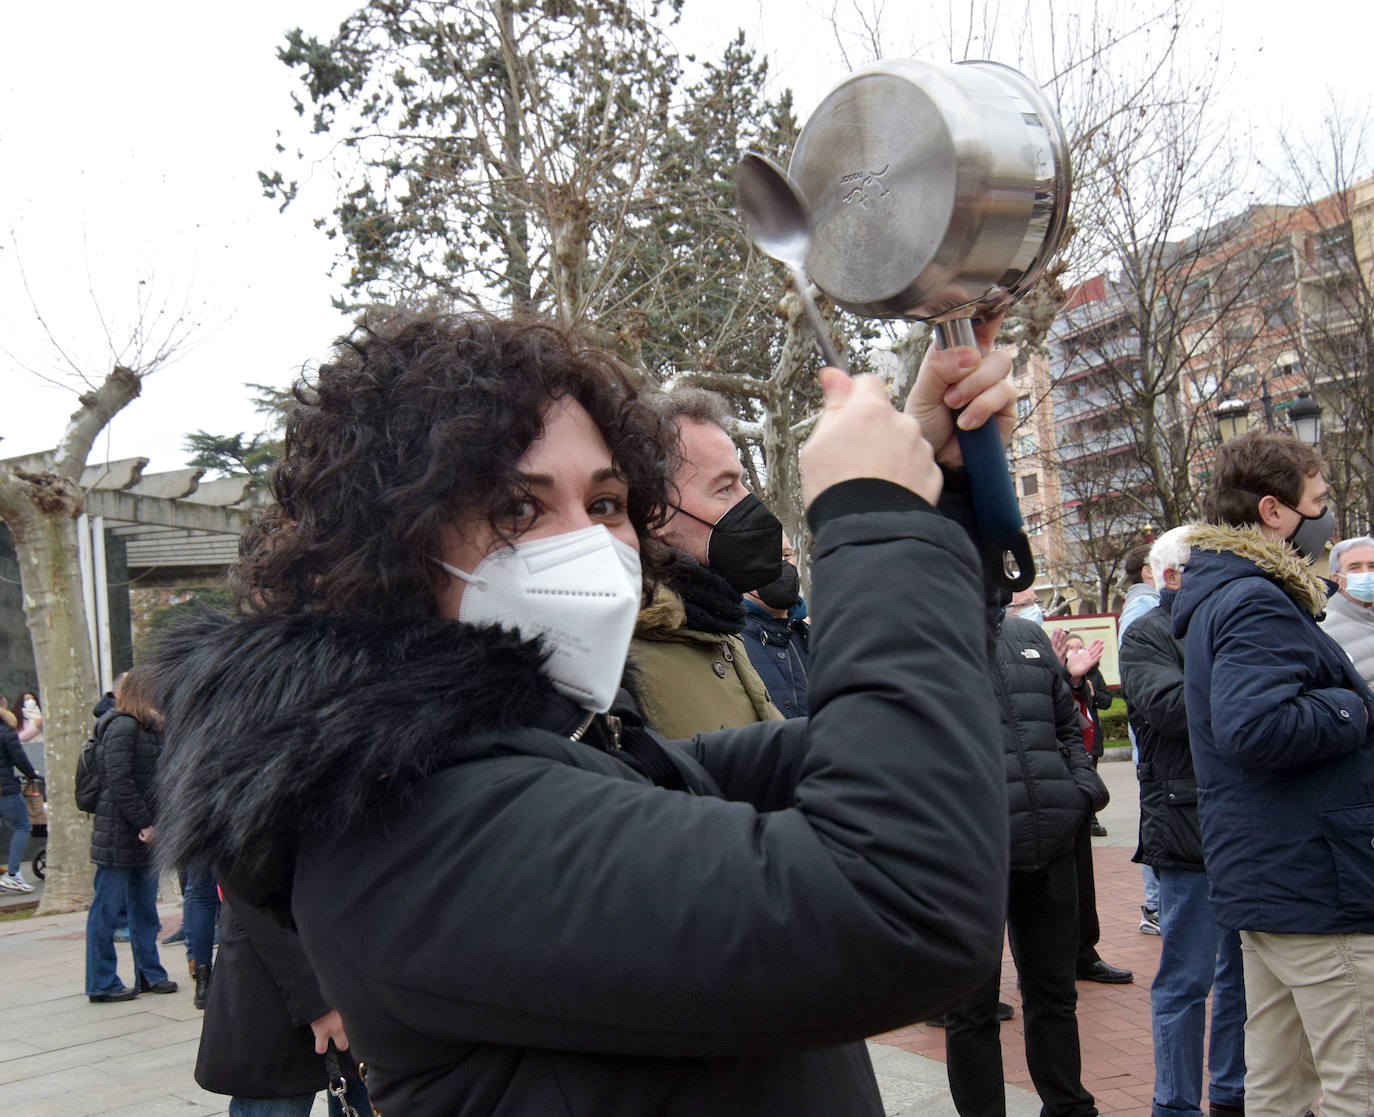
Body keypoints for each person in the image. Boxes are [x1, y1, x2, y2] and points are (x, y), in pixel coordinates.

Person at [149, 309, 1014, 1115]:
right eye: (518, 508)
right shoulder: (407, 828)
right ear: (394, 554)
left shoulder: (561, 744)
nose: (590, 543)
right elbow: (895, 900)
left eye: (604, 503)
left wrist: (939, 507)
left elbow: (882, 757)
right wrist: (876, 518)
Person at [1173, 429, 1373, 1117]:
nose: (1327, 512)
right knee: (1357, 1084)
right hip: (1317, 887)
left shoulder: (1230, 590)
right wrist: (1351, 707)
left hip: (1279, 879)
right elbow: (1253, 726)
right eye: (1318, 499)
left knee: (1280, 1089)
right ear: (1272, 510)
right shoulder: (1254, 598)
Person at [941, 593, 1109, 1117]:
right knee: (971, 1010)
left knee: (1054, 995)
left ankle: (1067, 1106)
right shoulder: (916, 641)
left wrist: (1081, 792)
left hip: (1050, 844)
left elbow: (1065, 728)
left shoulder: (1027, 635)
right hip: (972, 858)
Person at [1120, 526, 1245, 1117]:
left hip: (1246, 825)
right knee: (1187, 980)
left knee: (1241, 981)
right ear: (1172, 577)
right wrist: (1247, 689)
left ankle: (1231, 1093)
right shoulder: (1147, 633)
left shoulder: (1229, 623)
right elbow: (1170, 710)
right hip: (1186, 826)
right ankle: (1174, 1104)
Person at [631, 386, 784, 736]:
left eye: (742, 483)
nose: (749, 503)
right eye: (724, 488)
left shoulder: (718, 621)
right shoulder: (621, 660)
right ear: (655, 512)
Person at [197, 884, 370, 1116]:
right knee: (277, 1103)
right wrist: (317, 1002)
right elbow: (249, 890)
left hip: (363, 974)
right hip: (274, 979)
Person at [85, 665, 179, 1003]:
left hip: (144, 833)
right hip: (120, 833)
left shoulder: (150, 727)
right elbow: (119, 780)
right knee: (106, 911)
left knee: (145, 911)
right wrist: (145, 823)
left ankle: (150, 973)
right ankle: (101, 982)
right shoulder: (122, 726)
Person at [1119, 542, 1162, 934]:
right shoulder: (1144, 609)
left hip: (1147, 739)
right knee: (1157, 819)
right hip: (1153, 740)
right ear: (1148, 572)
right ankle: (1154, 906)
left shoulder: (1142, 605)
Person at [740, 532, 811, 717]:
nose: (783, 564)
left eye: (787, 555)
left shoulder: (816, 637)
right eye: (769, 557)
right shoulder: (732, 645)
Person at [1320, 534, 1374, 687]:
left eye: (1372, 566)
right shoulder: (1324, 632)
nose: (1366, 574)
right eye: (1355, 567)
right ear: (1337, 579)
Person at [0, 701, 39, 893]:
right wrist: (32, 773)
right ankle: (13, 874)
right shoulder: (5, 730)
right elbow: (19, 758)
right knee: (22, 826)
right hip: (4, 789)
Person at [15, 691, 44, 778]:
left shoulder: (41, 715)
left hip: (42, 750)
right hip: (28, 752)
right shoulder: (19, 718)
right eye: (27, 699)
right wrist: (36, 727)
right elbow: (20, 737)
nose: (30, 701)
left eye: (32, 699)